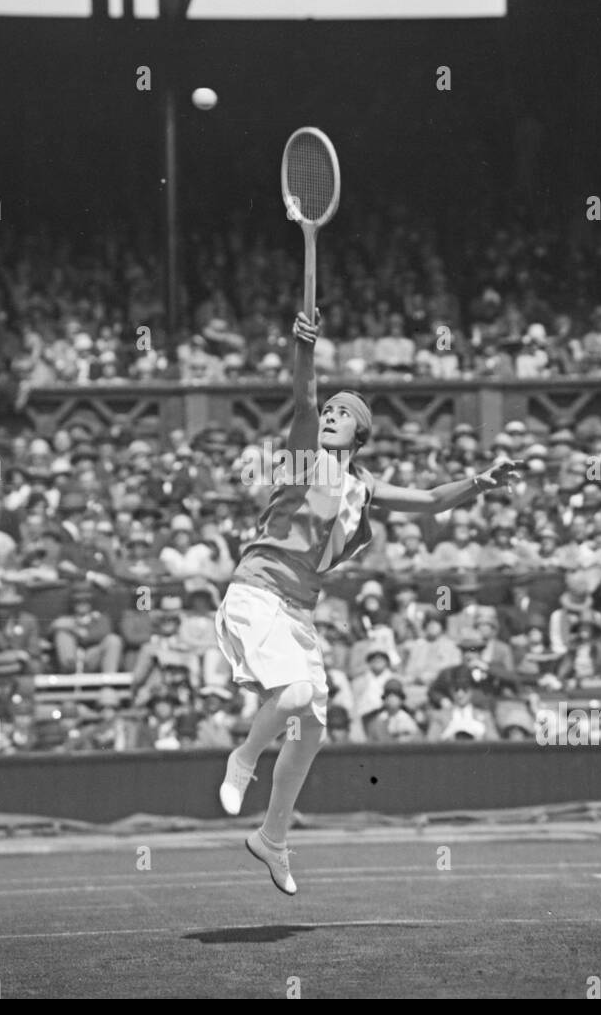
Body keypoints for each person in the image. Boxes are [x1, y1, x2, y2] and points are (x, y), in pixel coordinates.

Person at [214, 308, 520, 895]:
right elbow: (304, 403)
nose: (329, 418)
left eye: (343, 416)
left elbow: (430, 500)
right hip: (255, 590)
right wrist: (304, 349)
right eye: (330, 412)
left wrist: (478, 481)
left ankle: (272, 840)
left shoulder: (364, 486)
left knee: (312, 733)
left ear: (361, 435)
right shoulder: (305, 456)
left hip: (297, 609)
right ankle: (244, 759)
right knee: (295, 693)